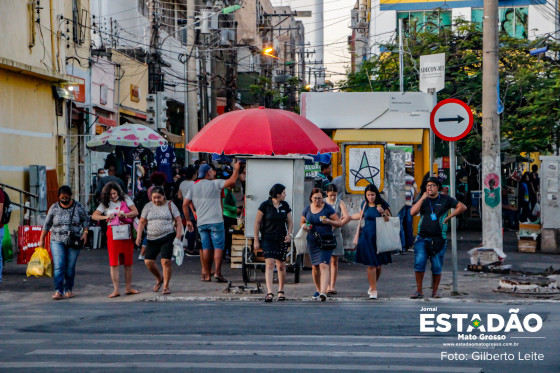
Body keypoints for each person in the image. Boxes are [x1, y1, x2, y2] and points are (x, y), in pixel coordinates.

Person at [410, 177, 467, 299]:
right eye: (427, 186)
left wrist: (448, 218)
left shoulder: (445, 200)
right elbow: (412, 212)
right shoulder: (423, 200)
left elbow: (462, 207)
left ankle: (435, 291)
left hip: (439, 238)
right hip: (422, 238)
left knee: (436, 265)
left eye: (432, 185)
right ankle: (419, 290)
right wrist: (422, 198)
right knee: (419, 263)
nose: (429, 188)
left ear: (438, 187)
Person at [184, 162, 241, 283]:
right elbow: (231, 181)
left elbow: (185, 204)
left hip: (202, 222)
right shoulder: (215, 183)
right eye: (211, 171)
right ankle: (218, 273)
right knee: (218, 247)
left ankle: (207, 273)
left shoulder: (194, 186)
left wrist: (188, 219)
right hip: (216, 221)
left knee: (206, 248)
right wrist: (236, 169)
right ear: (208, 173)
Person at [39, 186, 89, 300]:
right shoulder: (54, 208)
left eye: (67, 198)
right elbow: (47, 224)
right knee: (59, 265)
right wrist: (42, 238)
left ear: (70, 196)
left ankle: (68, 289)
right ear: (59, 197)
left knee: (70, 267)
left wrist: (85, 232)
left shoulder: (78, 207)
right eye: (62, 198)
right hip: (57, 240)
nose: (64, 200)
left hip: (74, 240)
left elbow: (86, 220)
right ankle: (58, 290)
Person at [92, 182, 140, 298]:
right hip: (112, 233)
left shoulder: (126, 199)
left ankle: (128, 288)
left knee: (128, 262)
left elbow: (135, 212)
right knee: (114, 263)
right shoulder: (105, 204)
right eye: (110, 194)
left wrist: (125, 215)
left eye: (114, 193)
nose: (113, 196)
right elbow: (94, 215)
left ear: (118, 192)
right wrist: (106, 217)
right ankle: (116, 290)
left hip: (125, 232)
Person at [135, 186, 182, 295]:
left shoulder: (170, 205)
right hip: (151, 238)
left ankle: (166, 286)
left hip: (168, 236)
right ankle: (159, 278)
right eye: (154, 198)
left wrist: (178, 236)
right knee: (148, 262)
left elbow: (178, 221)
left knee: (165, 261)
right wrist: (139, 236)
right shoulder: (148, 206)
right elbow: (142, 222)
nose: (156, 200)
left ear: (164, 196)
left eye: (159, 197)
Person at [349, 184, 392, 300]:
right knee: (371, 264)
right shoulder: (365, 205)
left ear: (376, 194)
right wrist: (348, 217)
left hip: (380, 237)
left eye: (372, 195)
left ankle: (372, 284)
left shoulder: (382, 204)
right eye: (368, 195)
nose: (370, 197)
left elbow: (390, 219)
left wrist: (382, 212)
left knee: (378, 265)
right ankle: (373, 289)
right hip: (367, 237)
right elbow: (361, 215)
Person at [301, 188, 342, 301]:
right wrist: (304, 226)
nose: (317, 201)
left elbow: (339, 223)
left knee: (324, 264)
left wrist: (328, 221)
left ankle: (324, 292)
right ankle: (318, 289)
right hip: (312, 241)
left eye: (319, 198)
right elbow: (302, 221)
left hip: (326, 241)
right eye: (315, 198)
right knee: (315, 266)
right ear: (311, 198)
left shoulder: (328, 209)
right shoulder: (307, 209)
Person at [254, 184, 294, 302]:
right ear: (277, 194)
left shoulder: (285, 205)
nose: (285, 195)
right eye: (283, 193)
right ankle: (270, 291)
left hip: (281, 237)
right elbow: (257, 222)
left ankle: (281, 290)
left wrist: (289, 234)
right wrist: (256, 239)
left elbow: (290, 222)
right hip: (268, 237)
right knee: (270, 263)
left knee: (281, 265)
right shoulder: (265, 205)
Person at [324, 184, 350, 296]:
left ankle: (332, 286)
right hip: (324, 233)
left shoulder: (340, 203)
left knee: (334, 260)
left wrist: (338, 224)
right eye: (331, 195)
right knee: (325, 261)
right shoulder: (323, 202)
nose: (333, 197)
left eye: (334, 195)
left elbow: (347, 217)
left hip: (336, 233)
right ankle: (325, 285)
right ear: (327, 194)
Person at [399, 169, 417, 253]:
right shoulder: (411, 178)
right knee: (409, 224)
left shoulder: (398, 177)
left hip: (399, 204)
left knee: (400, 224)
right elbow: (416, 190)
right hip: (409, 204)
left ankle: (402, 245)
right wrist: (414, 201)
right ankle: (409, 245)